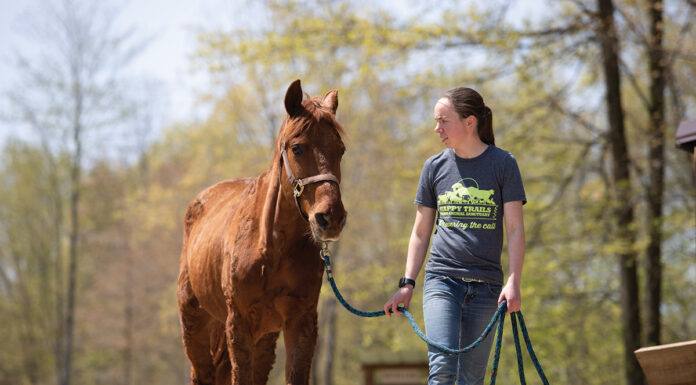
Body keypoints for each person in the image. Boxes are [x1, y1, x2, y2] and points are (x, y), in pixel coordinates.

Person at [383, 87, 526, 385]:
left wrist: (514, 281)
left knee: (470, 380)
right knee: (443, 370)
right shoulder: (434, 167)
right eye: (437, 121)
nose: (437, 128)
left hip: (487, 287)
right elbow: (421, 232)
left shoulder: (503, 164)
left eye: (444, 121)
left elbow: (514, 229)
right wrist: (407, 284)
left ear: (469, 121)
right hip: (442, 282)